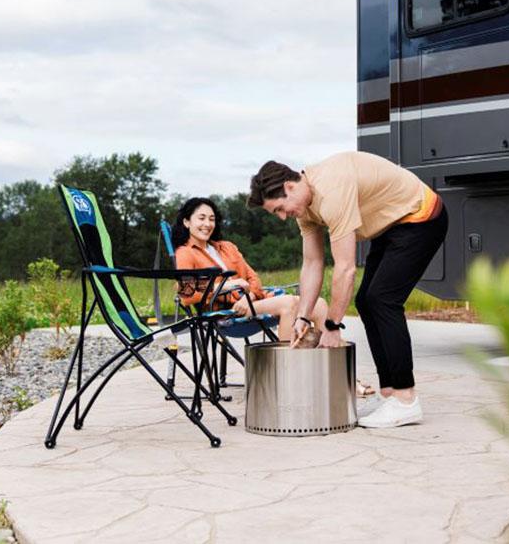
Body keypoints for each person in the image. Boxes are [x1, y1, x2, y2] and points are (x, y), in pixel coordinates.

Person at [248, 151, 448, 429]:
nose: (283, 217)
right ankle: (389, 393)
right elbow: (312, 263)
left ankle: (406, 399)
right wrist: (303, 318)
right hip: (390, 226)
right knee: (367, 302)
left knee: (383, 300)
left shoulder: (331, 190)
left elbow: (345, 269)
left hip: (421, 216)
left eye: (280, 208)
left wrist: (332, 325)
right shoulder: (304, 209)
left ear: (289, 187)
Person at [171, 197, 328, 342]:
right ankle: (287, 366)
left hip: (251, 303)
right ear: (186, 222)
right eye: (201, 218)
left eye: (211, 219)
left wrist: (249, 297)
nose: (207, 224)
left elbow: (253, 278)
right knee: (288, 303)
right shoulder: (185, 253)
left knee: (319, 304)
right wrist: (224, 286)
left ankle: (320, 361)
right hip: (225, 313)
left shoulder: (227, 247)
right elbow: (186, 295)